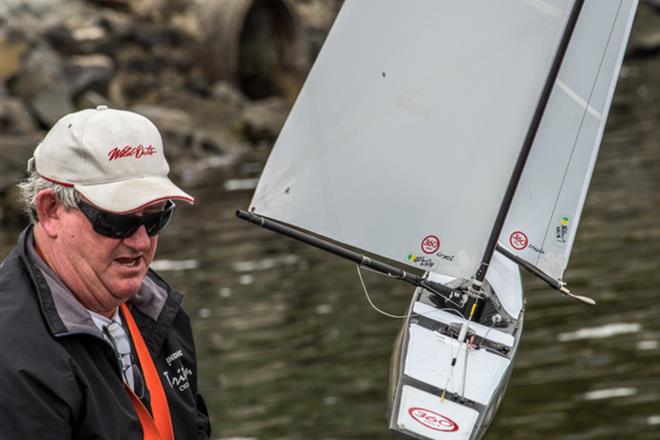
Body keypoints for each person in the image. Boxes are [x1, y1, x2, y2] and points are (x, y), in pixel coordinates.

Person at [0, 105, 211, 439]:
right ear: (51, 210)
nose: (141, 241)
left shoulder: (159, 309)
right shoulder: (12, 359)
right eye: (118, 220)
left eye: (156, 217)